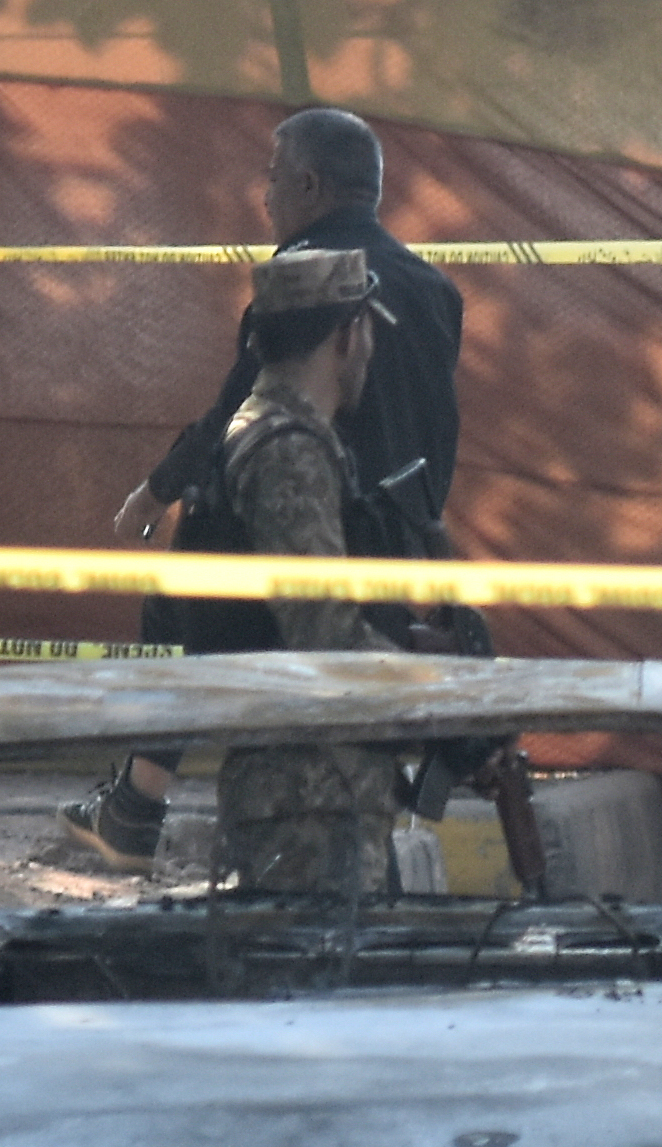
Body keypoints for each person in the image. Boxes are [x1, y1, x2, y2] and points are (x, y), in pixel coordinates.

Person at [58, 108, 464, 869]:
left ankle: (136, 807)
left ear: (308, 184)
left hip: (304, 541)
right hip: (398, 547)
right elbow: (438, 433)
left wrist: (157, 492)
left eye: (273, 179)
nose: (265, 197)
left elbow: (239, 412)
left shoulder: (303, 283)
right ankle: (141, 808)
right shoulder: (436, 289)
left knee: (184, 580)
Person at [190, 248, 407, 898]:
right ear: (348, 335)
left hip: (307, 793)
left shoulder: (265, 431)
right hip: (311, 801)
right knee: (319, 963)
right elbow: (324, 634)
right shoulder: (289, 453)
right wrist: (442, 691)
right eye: (367, 331)